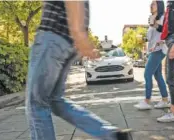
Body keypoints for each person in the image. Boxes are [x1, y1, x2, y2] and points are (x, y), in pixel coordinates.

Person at [26, 1, 131, 140]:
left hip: (52, 37)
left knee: (37, 104)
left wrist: (79, 34)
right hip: (67, 42)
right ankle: (111, 134)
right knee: (55, 101)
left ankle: (110, 134)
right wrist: (79, 36)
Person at [134, 0, 170, 110]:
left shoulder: (163, 17)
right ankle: (165, 99)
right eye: (151, 4)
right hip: (153, 49)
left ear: (159, 5)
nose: (151, 5)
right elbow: (151, 37)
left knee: (147, 74)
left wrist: (153, 24)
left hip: (159, 49)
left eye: (153, 3)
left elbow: (164, 31)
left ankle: (147, 100)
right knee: (157, 75)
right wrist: (144, 38)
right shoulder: (152, 18)